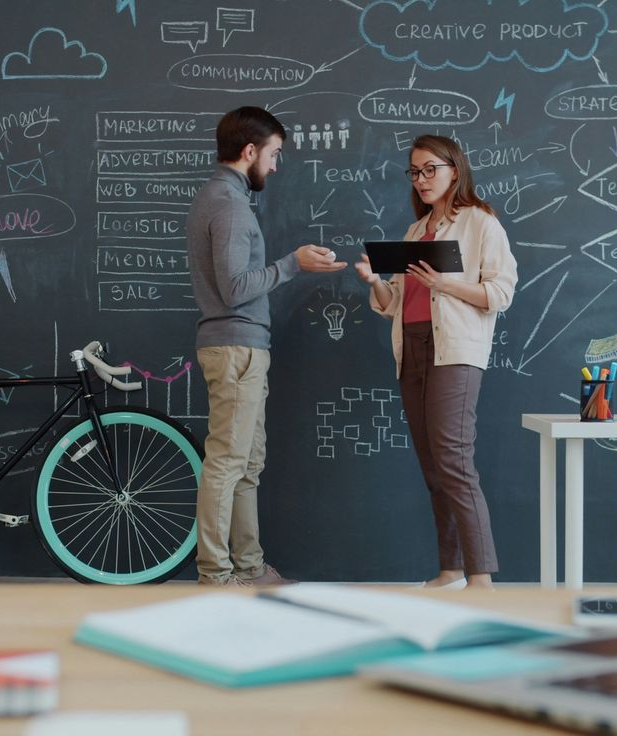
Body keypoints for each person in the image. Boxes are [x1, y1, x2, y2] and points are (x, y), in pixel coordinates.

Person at [188, 106, 347, 586]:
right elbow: (236, 288)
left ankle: (250, 567)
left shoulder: (219, 198)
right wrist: (293, 263)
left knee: (247, 464)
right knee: (228, 462)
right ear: (250, 151)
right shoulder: (231, 206)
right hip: (236, 347)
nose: (276, 166)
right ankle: (216, 576)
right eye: (274, 154)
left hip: (242, 346)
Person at [354, 134, 518, 590]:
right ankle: (450, 569)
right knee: (432, 464)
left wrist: (445, 283)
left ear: (454, 170)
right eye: (415, 171)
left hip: (455, 350)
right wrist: (374, 280)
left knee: (454, 459)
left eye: (431, 169)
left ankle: (481, 576)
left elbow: (499, 294)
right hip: (412, 347)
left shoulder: (480, 223)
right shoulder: (415, 231)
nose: (422, 179)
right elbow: (393, 303)